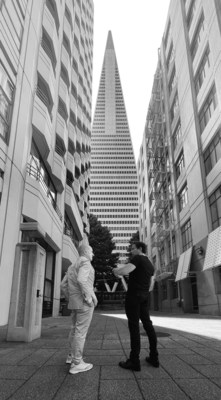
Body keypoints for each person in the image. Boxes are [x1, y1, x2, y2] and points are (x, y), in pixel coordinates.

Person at [113, 241, 159, 371]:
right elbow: (151, 286)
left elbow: (125, 270)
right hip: (145, 297)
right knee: (148, 325)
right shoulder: (150, 265)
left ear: (140, 249)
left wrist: (115, 270)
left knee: (134, 327)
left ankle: (134, 361)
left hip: (134, 297)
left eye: (133, 249)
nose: (131, 251)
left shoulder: (138, 258)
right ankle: (154, 357)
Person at [60, 241, 97, 375]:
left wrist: (70, 298)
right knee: (81, 332)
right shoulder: (85, 262)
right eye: (91, 251)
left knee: (75, 329)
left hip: (75, 303)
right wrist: (88, 297)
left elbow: (63, 285)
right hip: (84, 303)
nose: (92, 254)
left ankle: (71, 356)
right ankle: (77, 363)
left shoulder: (71, 266)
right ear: (86, 252)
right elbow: (82, 280)